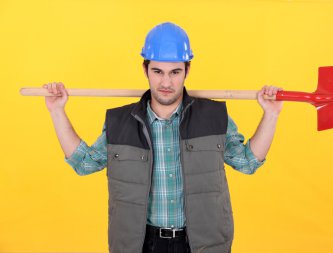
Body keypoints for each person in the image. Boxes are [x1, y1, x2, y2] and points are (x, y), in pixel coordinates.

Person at [43, 22, 283, 253]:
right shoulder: (120, 123)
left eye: (175, 72)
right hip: (141, 244)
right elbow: (84, 164)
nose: (166, 82)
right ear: (145, 69)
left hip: (202, 244)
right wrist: (57, 111)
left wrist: (271, 115)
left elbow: (248, 162)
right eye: (158, 71)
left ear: (187, 70)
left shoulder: (213, 116)